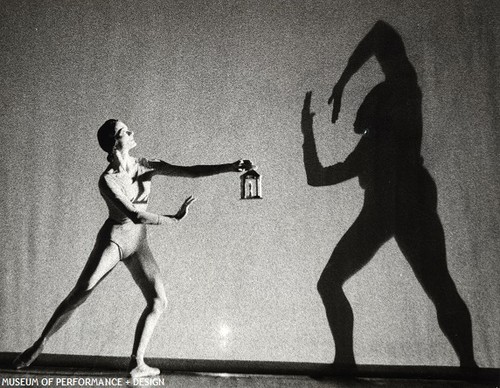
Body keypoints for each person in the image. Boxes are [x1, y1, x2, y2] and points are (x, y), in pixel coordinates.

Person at [13, 119, 253, 377]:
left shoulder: (146, 165)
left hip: (138, 241)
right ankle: (40, 343)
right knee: (82, 292)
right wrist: (173, 219)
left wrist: (229, 167)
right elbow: (134, 214)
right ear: (115, 142)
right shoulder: (107, 180)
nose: (132, 132)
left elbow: (189, 171)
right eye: (125, 131)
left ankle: (136, 362)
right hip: (115, 239)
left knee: (158, 301)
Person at [301, 21, 477, 368]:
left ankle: (468, 365)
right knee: (329, 283)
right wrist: (307, 133)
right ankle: (345, 360)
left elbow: (382, 33)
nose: (358, 112)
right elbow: (318, 178)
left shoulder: (404, 103)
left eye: (365, 104)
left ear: (378, 104)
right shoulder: (367, 149)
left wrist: (344, 79)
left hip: (409, 203)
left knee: (439, 286)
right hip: (382, 211)